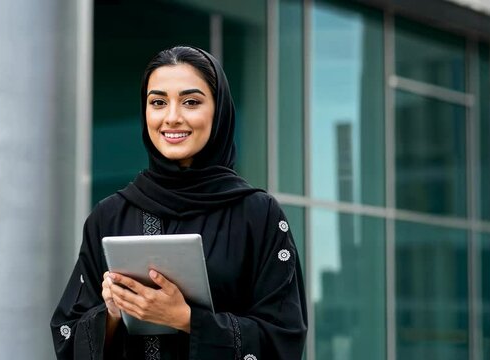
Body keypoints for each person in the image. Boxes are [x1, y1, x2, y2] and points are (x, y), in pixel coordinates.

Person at [50, 46, 307, 360]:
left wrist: (185, 319)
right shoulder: (110, 215)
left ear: (220, 111)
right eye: (158, 102)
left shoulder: (257, 214)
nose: (172, 118)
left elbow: (285, 338)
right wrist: (113, 314)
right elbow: (67, 334)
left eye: (191, 102)